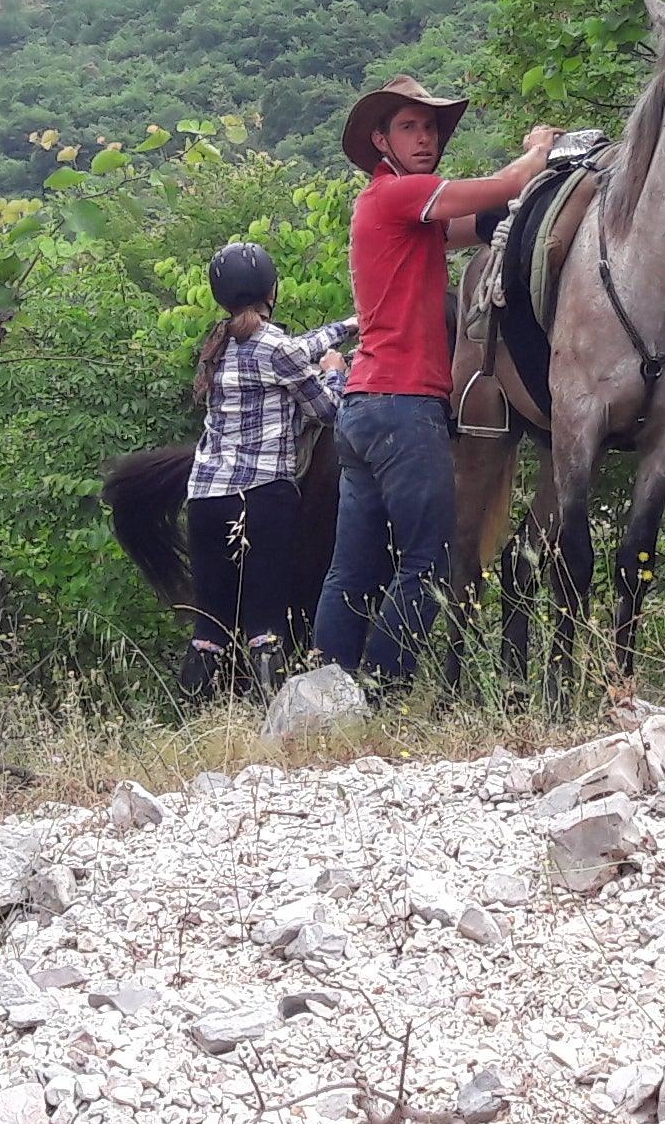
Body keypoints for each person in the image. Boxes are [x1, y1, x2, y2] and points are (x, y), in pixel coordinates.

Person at [316, 78, 556, 690]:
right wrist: (539, 151)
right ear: (380, 140)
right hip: (403, 406)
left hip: (363, 407)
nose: (424, 138)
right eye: (408, 127)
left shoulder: (397, 213)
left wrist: (525, 191)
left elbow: (486, 217)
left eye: (430, 129)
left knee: (353, 571)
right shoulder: (399, 195)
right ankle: (383, 688)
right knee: (430, 561)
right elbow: (504, 188)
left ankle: (327, 692)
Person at [181, 240, 347, 698]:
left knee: (209, 626)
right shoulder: (276, 346)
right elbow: (327, 410)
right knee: (266, 622)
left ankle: (193, 717)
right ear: (271, 290)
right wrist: (334, 369)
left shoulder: (216, 342)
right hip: (263, 497)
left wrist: (343, 328)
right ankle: (270, 717)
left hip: (206, 497)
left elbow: (291, 348)